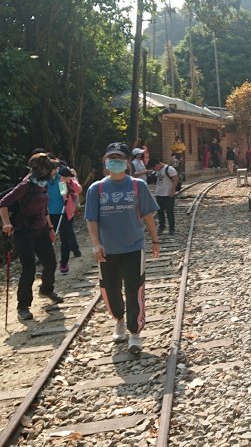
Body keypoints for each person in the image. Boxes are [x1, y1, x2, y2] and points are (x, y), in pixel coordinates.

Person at [85, 142, 160, 354]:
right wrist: (95, 244)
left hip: (134, 248)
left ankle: (135, 333)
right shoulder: (96, 189)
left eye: (119, 158)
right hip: (107, 250)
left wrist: (155, 241)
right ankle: (119, 319)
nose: (115, 162)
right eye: (111, 158)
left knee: (135, 289)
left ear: (127, 162)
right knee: (110, 288)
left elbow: (148, 215)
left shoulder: (138, 186)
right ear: (105, 162)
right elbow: (91, 219)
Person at [0, 153, 64, 321]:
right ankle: (23, 306)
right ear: (43, 169)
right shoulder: (26, 185)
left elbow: (44, 208)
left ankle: (47, 290)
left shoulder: (43, 183)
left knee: (50, 263)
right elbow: (3, 203)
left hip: (41, 229)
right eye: (50, 167)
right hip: (24, 232)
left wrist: (49, 227)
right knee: (29, 269)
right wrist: (6, 223)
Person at [48, 162, 82, 274]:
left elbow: (77, 189)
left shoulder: (63, 177)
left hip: (64, 213)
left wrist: (69, 181)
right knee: (47, 239)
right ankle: (47, 264)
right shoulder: (43, 180)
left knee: (65, 238)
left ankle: (64, 263)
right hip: (48, 214)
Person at [147, 158, 178, 235]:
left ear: (158, 164)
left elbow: (176, 179)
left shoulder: (169, 169)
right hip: (159, 194)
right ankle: (161, 226)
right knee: (160, 212)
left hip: (168, 194)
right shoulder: (158, 171)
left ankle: (171, 228)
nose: (154, 169)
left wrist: (173, 189)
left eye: (154, 167)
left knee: (169, 212)